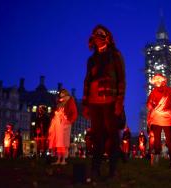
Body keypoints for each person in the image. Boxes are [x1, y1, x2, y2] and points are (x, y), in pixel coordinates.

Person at [82, 24, 126, 179]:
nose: (97, 37)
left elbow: (121, 79)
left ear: (107, 37)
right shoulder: (91, 59)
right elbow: (87, 81)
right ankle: (95, 168)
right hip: (95, 102)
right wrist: (85, 103)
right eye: (95, 35)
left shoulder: (115, 55)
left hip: (110, 101)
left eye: (100, 34)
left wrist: (119, 101)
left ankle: (113, 169)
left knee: (113, 137)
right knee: (97, 136)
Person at [147, 73, 171, 168]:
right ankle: (156, 160)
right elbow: (149, 103)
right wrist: (150, 105)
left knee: (169, 140)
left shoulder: (169, 91)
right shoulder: (153, 92)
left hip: (166, 118)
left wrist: (166, 111)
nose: (157, 82)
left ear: (162, 81)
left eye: (158, 80)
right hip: (156, 118)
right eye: (155, 80)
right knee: (156, 139)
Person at [48, 89, 78, 165]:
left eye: (63, 93)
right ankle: (58, 159)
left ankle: (63, 159)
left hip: (65, 124)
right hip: (57, 123)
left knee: (63, 142)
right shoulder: (59, 102)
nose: (61, 94)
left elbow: (74, 112)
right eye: (61, 93)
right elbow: (54, 111)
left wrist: (70, 120)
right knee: (58, 142)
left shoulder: (70, 101)